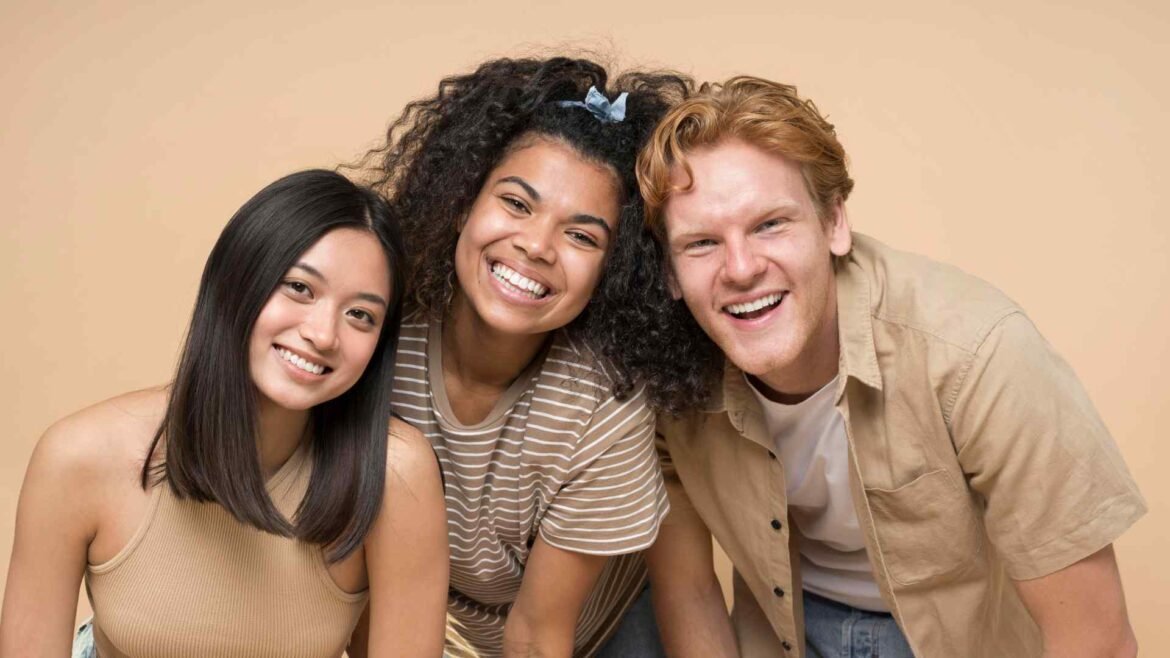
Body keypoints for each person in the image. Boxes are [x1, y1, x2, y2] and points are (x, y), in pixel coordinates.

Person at [634, 77, 1146, 657]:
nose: (741, 268)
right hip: (785, 633)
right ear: (670, 271)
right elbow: (689, 594)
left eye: (770, 224)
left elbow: (1098, 641)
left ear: (834, 223)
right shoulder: (669, 378)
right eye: (701, 243)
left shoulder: (978, 353)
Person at [0, 170, 449, 657]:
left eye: (360, 315)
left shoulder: (395, 475)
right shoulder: (79, 456)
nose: (323, 334)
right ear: (236, 282)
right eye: (299, 288)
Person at [361, 56, 691, 657]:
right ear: (462, 202)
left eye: (582, 235)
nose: (536, 246)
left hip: (595, 633)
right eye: (516, 203)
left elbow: (537, 636)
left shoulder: (603, 406)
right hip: (444, 624)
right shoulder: (377, 331)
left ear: (613, 271)